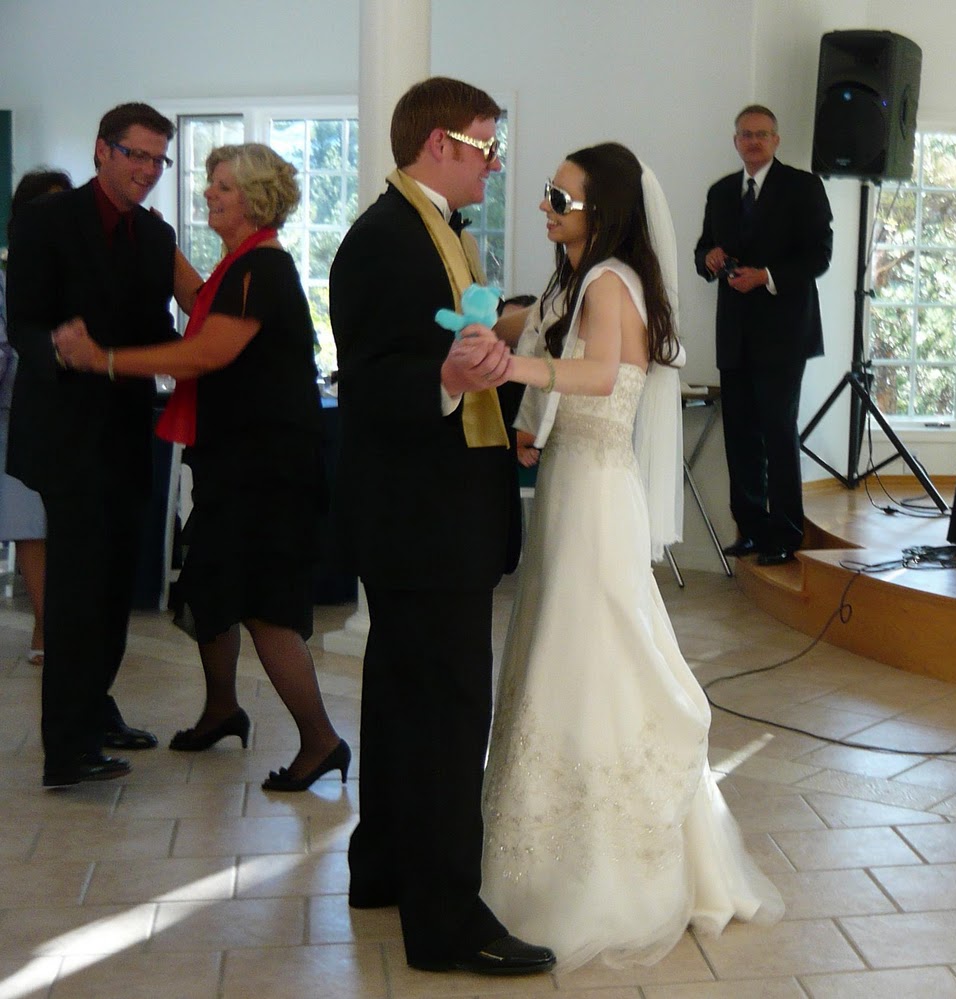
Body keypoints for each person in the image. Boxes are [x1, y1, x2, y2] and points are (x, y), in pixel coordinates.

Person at [480, 141, 783, 971]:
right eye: (548, 194)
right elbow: (558, 360)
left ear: (601, 209)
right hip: (571, 482)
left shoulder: (612, 282)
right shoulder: (574, 280)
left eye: (559, 197)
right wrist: (525, 412)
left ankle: (601, 862)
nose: (546, 206)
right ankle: (539, 842)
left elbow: (602, 368)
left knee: (593, 648)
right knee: (560, 644)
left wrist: (516, 367)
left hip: (597, 493)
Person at [327, 76, 553, 977]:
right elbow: (373, 380)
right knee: (449, 714)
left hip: (429, 512)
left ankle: (380, 864)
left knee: (400, 697)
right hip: (422, 520)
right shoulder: (383, 240)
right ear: (439, 146)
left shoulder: (434, 233)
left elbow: (436, 355)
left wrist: (484, 367)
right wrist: (456, 380)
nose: (496, 165)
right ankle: (447, 919)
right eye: (487, 147)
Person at [53, 143, 345, 792]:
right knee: (209, 586)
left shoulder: (261, 270)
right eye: (211, 184)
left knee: (266, 607)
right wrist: (146, 234)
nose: (209, 194)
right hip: (234, 459)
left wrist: (100, 357)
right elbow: (190, 297)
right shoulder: (236, 267)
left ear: (256, 199)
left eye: (223, 187)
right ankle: (221, 707)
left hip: (268, 469)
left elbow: (203, 354)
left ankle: (321, 740)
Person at [7, 103, 178, 788]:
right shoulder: (46, 221)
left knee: (114, 586)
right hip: (67, 435)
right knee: (77, 591)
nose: (146, 170)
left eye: (157, 161)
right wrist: (61, 348)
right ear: (102, 150)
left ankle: (97, 707)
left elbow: (158, 327)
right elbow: (22, 322)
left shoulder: (156, 233)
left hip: (128, 431)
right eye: (135, 155)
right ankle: (65, 747)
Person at [694, 104, 833, 566]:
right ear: (735, 141)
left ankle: (785, 533)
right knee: (740, 436)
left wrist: (767, 276)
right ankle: (750, 529)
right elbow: (701, 250)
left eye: (762, 134)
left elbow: (820, 256)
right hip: (734, 334)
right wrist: (709, 257)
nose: (753, 142)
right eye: (745, 135)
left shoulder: (802, 187)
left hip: (783, 334)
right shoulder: (719, 192)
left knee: (777, 433)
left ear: (776, 140)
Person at [1, 168, 70, 668]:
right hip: (16, 414)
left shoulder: (83, 272)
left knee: (71, 524)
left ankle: (68, 626)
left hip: (76, 412)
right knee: (32, 525)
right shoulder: (6, 277)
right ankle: (48, 626)